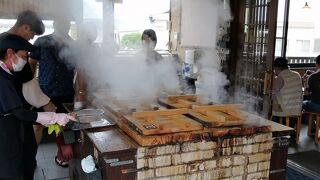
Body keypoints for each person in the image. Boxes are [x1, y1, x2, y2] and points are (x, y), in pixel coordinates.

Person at [0, 34, 75, 180]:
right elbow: (19, 112)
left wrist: (50, 116)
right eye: (24, 56)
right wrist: (54, 117)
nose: (25, 61)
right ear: (10, 53)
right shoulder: (2, 79)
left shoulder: (7, 74)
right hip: (6, 139)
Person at [0, 10, 56, 179]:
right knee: (20, 160)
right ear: (25, 26)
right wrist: (47, 107)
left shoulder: (3, 39)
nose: (31, 38)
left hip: (13, 113)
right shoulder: (12, 51)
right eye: (31, 33)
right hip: (13, 117)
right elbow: (28, 82)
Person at [29, 17, 86, 167]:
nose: (63, 24)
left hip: (65, 92)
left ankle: (61, 156)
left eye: (66, 22)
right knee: (37, 126)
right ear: (55, 24)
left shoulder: (74, 46)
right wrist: (30, 90)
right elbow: (31, 66)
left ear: (69, 24)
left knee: (63, 125)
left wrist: (80, 91)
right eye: (60, 22)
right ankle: (31, 158)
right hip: (43, 93)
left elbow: (80, 70)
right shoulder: (41, 42)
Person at [272, 57, 303, 140]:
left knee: (271, 106)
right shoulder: (297, 74)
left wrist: (270, 92)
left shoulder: (280, 77)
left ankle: (276, 132)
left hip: (285, 109)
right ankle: (291, 130)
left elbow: (275, 95)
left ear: (277, 68)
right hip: (297, 108)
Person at [302, 55, 320, 132]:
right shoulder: (313, 76)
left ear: (317, 64)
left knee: (303, 104)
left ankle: (313, 128)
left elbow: (306, 92)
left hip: (317, 106)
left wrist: (306, 81)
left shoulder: (313, 76)